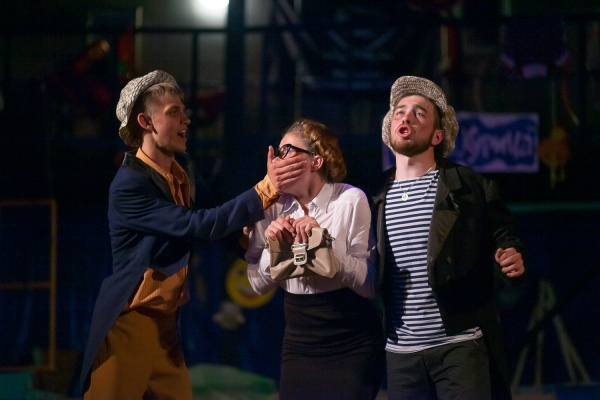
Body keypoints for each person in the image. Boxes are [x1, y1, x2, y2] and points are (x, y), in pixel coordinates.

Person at [79, 70, 305, 399]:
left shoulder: (182, 168)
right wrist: (268, 187)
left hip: (165, 325)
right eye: (174, 112)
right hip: (131, 322)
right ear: (145, 121)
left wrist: (262, 249)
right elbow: (198, 224)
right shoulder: (129, 185)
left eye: (184, 111)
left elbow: (219, 223)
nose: (186, 120)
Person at [373, 76, 526, 400]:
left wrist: (510, 250)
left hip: (459, 346)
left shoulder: (467, 186)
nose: (406, 117)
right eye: (400, 112)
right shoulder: (373, 197)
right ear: (390, 128)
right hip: (401, 354)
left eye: (419, 113)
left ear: (437, 135)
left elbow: (503, 232)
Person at [245, 118, 385, 400]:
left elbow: (369, 284)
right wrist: (274, 250)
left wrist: (324, 245)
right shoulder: (272, 206)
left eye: (287, 151)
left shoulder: (350, 199)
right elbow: (256, 285)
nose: (277, 161)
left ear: (316, 161)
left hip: (350, 337)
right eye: (276, 153)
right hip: (300, 338)